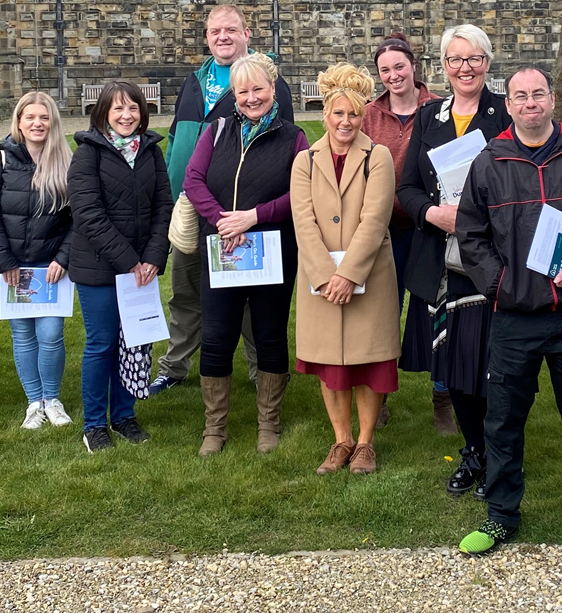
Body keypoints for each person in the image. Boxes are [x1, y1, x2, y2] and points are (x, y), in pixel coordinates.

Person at [454, 67, 562, 558]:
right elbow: (471, 234)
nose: (530, 103)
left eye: (538, 94)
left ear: (552, 100)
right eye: (520, 96)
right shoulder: (489, 161)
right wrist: (499, 283)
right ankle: (500, 516)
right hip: (513, 316)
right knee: (504, 421)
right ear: (508, 105)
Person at [396, 24, 511, 499]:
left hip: (489, 258)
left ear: (487, 62)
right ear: (442, 67)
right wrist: (432, 212)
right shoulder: (428, 117)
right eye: (455, 60)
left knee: (486, 365)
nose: (465, 68)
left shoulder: (506, 112)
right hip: (440, 259)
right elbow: (406, 189)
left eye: (475, 58)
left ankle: (499, 453)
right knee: (455, 369)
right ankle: (474, 453)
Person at [155, 5, 293, 394]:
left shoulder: (265, 81)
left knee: (249, 295)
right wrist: (171, 184)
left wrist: (250, 211)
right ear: (206, 36)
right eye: (215, 31)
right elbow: (176, 140)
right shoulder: (194, 81)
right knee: (185, 293)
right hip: (192, 207)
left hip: (242, 212)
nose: (223, 37)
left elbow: (283, 145)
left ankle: (259, 369)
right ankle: (175, 366)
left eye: (231, 29)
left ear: (247, 33)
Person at [184, 53, 309, 456]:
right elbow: (194, 179)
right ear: (234, 95)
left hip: (272, 246)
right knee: (217, 336)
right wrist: (224, 221)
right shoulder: (217, 130)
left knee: (270, 334)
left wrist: (253, 217)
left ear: (273, 90)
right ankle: (213, 429)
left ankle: (268, 424)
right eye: (243, 91)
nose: (251, 98)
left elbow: (301, 193)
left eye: (258, 89)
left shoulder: (294, 137)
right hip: (222, 246)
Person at [290, 64, 401, 475]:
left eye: (353, 114)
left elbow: (375, 220)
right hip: (320, 280)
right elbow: (304, 221)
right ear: (325, 115)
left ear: (363, 115)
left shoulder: (379, 156)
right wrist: (324, 277)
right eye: (338, 113)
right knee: (331, 364)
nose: (345, 121)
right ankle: (341, 440)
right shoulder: (305, 160)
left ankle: (366, 443)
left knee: (368, 360)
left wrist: (349, 274)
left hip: (368, 276)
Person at [65, 81, 174, 452]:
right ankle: (94, 424)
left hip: (142, 268)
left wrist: (154, 258)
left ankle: (124, 416)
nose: (126, 116)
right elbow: (88, 215)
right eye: (118, 110)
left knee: (134, 343)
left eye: (133, 109)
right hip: (99, 268)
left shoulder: (151, 152)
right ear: (104, 115)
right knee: (102, 344)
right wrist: (130, 262)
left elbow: (164, 207)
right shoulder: (87, 153)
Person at [362, 31, 453, 435]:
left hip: (430, 228)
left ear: (414, 67)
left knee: (441, 313)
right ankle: (377, 397)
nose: (393, 75)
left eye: (399, 66)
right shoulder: (369, 114)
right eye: (385, 69)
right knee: (381, 315)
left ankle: (444, 397)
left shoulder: (441, 109)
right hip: (385, 231)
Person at [0, 91, 75, 429]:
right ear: (18, 121)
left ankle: (52, 399)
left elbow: (81, 216)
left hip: (51, 268)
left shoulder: (67, 160)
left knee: (51, 335)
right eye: (30, 117)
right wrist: (3, 260)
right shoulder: (0, 159)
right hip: (12, 267)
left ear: (52, 122)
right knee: (23, 336)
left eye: (44, 117)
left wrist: (65, 257)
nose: (37, 123)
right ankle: (34, 402)